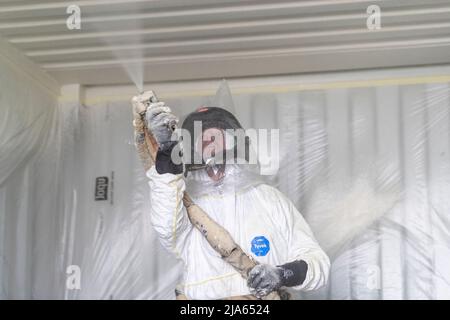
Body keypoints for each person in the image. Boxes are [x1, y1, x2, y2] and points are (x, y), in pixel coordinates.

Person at [141, 97, 330, 300]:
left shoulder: (268, 199)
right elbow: (166, 226)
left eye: (217, 136)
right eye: (203, 139)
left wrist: (281, 274)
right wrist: (167, 152)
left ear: (235, 142)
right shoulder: (186, 205)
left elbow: (318, 263)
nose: (210, 144)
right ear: (191, 150)